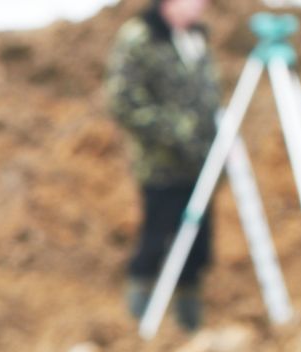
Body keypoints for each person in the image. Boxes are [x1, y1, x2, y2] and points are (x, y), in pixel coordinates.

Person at [106, 0, 221, 331]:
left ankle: (188, 323)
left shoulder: (196, 39)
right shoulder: (139, 38)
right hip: (161, 166)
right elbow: (122, 100)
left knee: (197, 246)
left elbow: (208, 96)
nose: (201, 7)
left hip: (200, 164)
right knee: (156, 240)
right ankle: (138, 319)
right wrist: (174, 131)